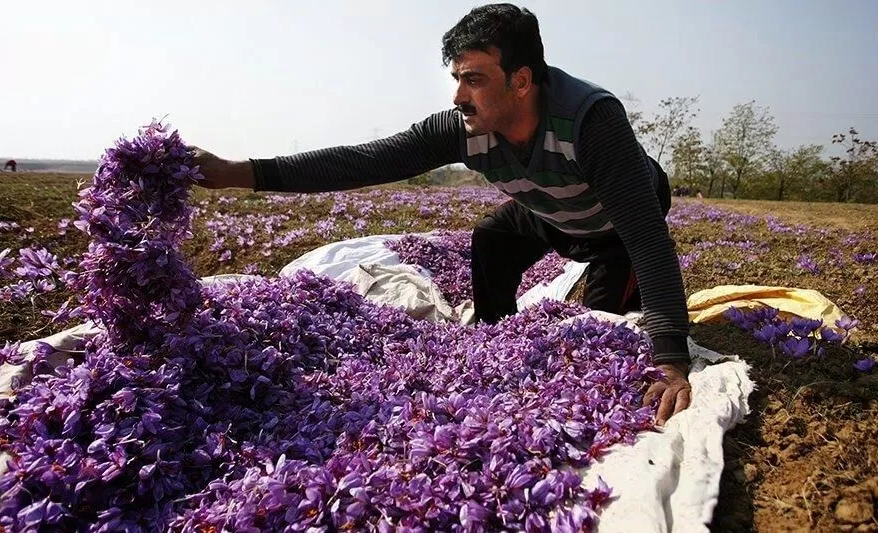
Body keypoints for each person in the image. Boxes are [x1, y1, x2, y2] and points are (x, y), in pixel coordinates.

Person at [192, 3, 692, 424]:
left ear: (521, 80)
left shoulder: (590, 121)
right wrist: (240, 171)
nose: (458, 96)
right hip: (545, 208)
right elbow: (367, 159)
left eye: (473, 79)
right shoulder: (463, 127)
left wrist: (671, 359)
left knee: (605, 323)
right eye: (456, 78)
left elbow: (648, 237)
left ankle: (618, 296)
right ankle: (498, 339)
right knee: (493, 239)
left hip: (613, 228)